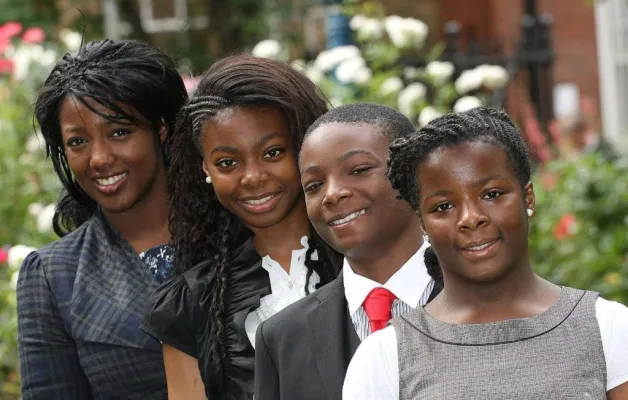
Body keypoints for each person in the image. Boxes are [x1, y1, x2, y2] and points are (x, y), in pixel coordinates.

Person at [343, 107, 628, 399]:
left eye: (492, 194)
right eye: (443, 206)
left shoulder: (607, 328)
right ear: (423, 223)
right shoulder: (385, 357)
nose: (471, 218)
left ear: (528, 197)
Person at [140, 55, 342, 400]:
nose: (252, 177)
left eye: (272, 152)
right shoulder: (191, 302)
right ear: (205, 168)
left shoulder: (367, 261)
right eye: (227, 162)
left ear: (305, 146)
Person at [17, 39, 188, 399]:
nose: (99, 158)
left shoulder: (235, 232)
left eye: (119, 132)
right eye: (77, 142)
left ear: (161, 128)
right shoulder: (53, 276)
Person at [254, 103, 442, 400]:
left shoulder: (488, 299)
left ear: (414, 174)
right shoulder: (281, 337)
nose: (331, 194)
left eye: (359, 170)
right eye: (314, 185)